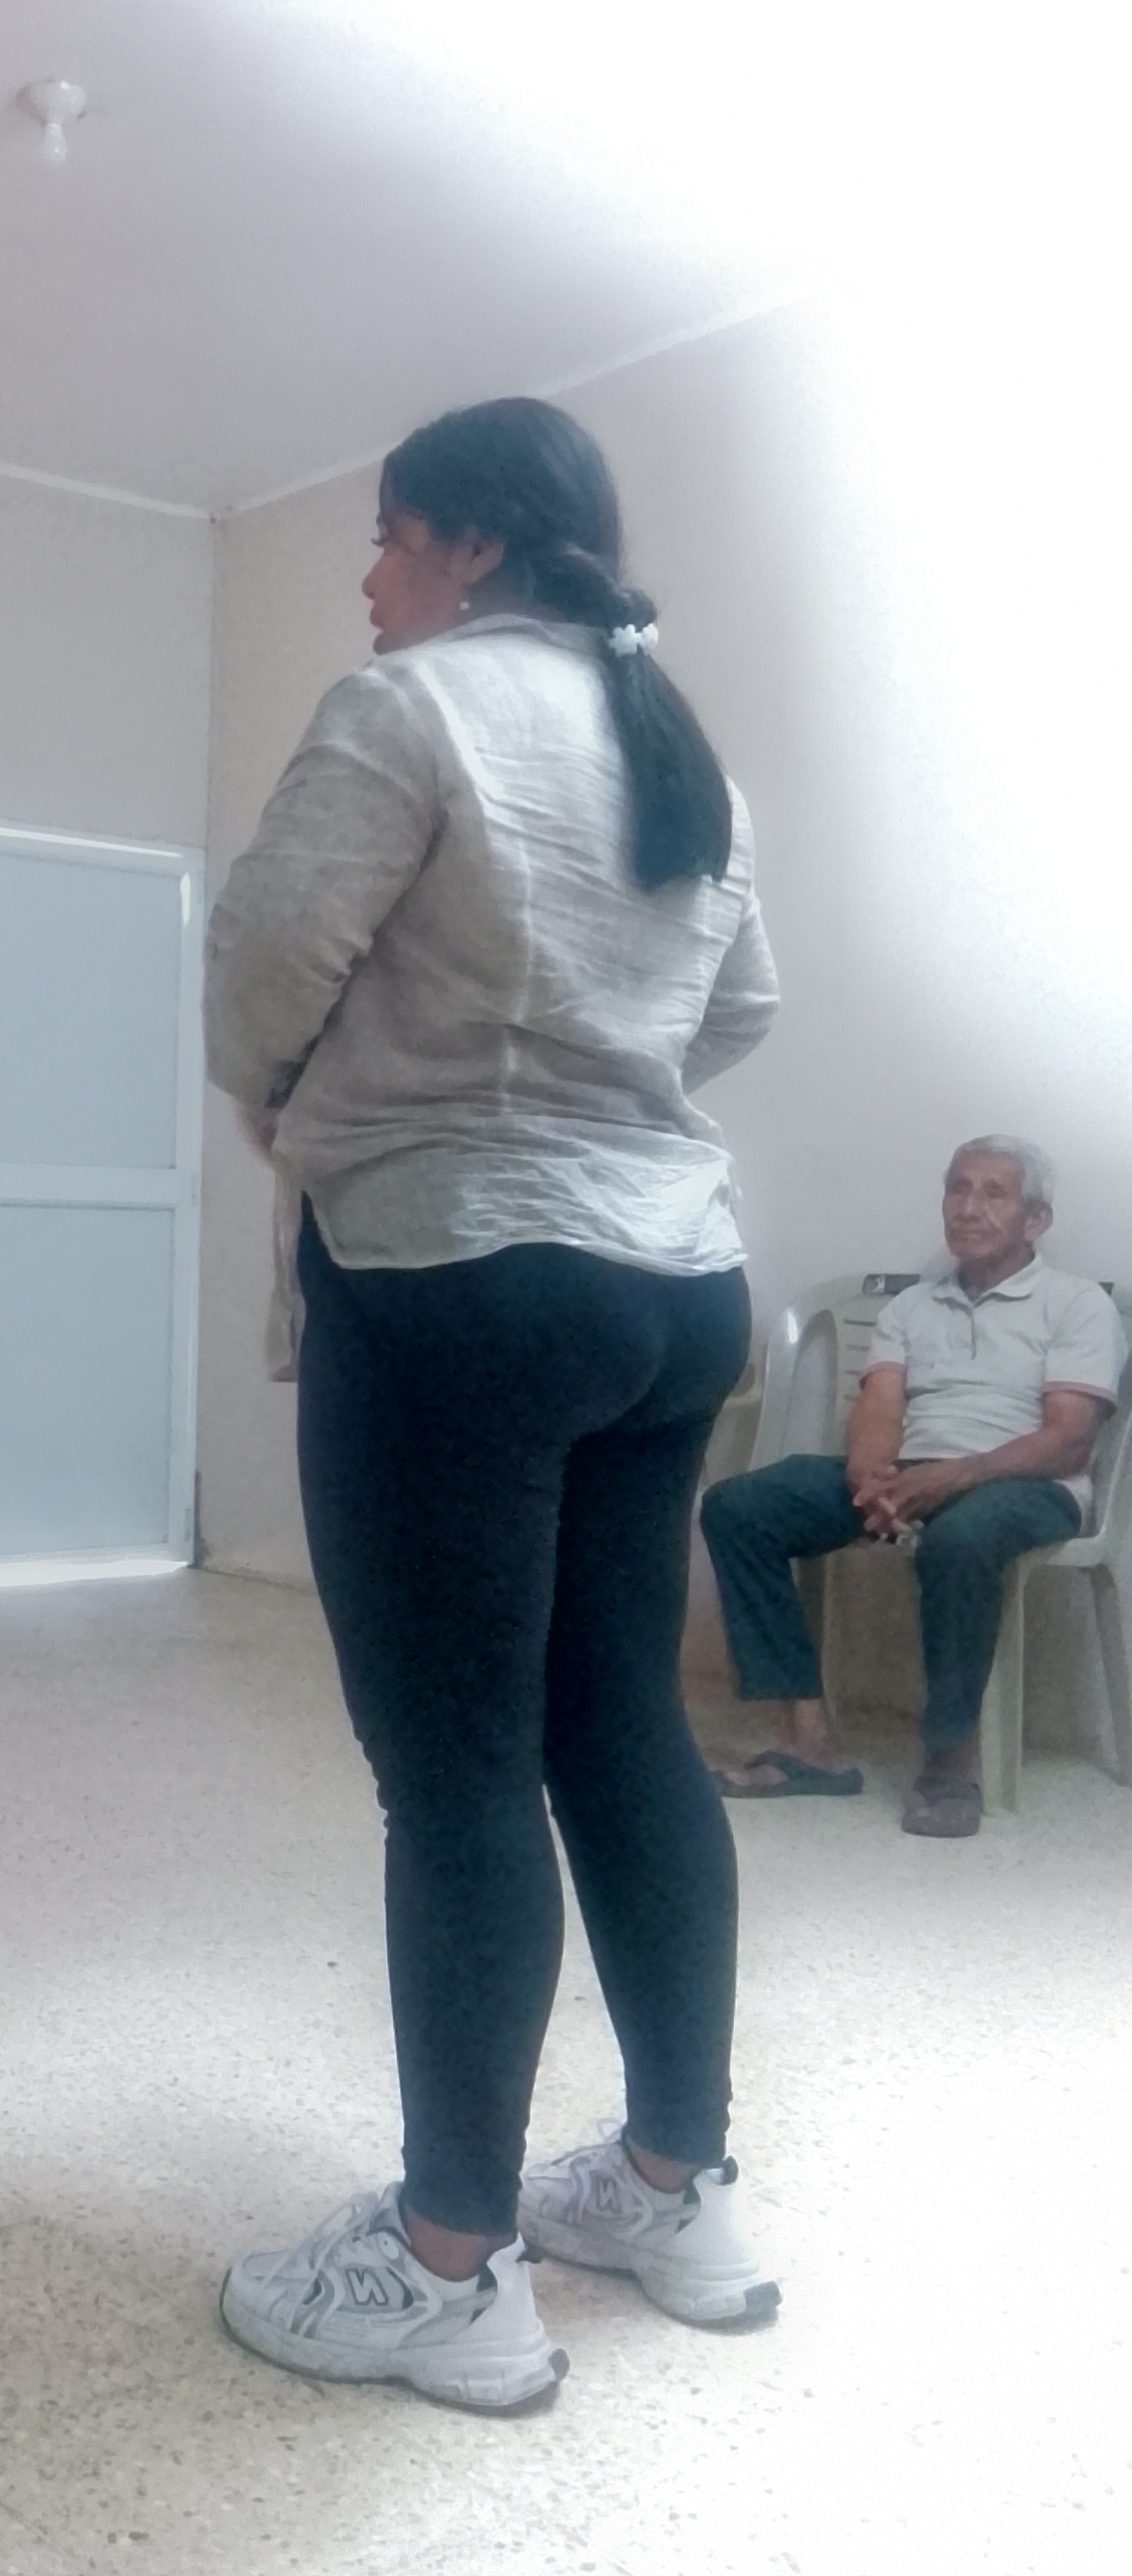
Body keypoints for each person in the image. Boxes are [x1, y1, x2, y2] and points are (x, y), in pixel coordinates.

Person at [204, 397, 781, 2409]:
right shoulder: (672, 736)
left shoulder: (410, 706)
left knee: (452, 1771)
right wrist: (597, 1096)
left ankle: (452, 2266)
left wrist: (335, 1106)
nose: (368, 577)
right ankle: (675, 2187)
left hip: (458, 1274)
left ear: (466, 545)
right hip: (675, 1285)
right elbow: (740, 1007)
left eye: (386, 535)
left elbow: (258, 974)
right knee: (622, 1726)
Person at [704, 1139, 1124, 1837]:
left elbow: (1068, 1439)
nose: (968, 1207)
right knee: (739, 1507)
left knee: (961, 1538)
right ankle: (808, 1743)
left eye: (993, 1193)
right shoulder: (912, 1307)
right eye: (958, 1189)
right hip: (912, 1471)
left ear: (1036, 1219)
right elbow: (880, 1406)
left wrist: (953, 1475)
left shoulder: (1077, 1304)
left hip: (1026, 1480)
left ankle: (950, 1759)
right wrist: (871, 1476)